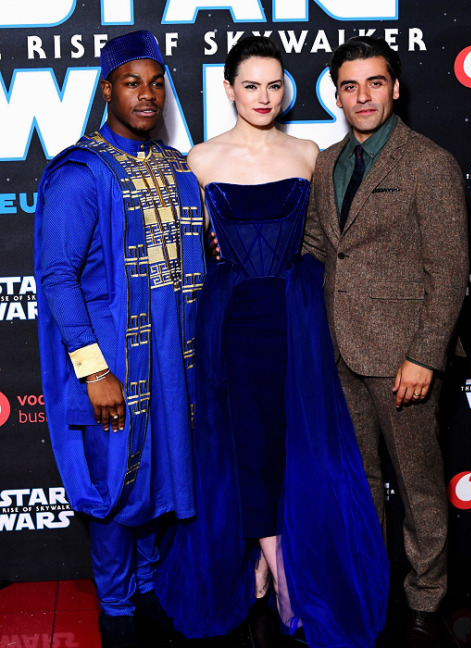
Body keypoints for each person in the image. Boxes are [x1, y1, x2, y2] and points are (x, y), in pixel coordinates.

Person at [155, 35, 389, 648]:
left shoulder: (311, 152)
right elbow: (186, 251)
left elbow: (334, 241)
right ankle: (283, 571)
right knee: (246, 441)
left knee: (295, 441)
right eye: (251, 85)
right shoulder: (198, 160)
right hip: (231, 318)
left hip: (297, 314)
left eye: (275, 84)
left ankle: (270, 558)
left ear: (287, 90)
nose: (264, 96)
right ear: (228, 89)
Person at [34, 30, 205, 648]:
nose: (148, 95)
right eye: (132, 82)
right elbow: (56, 276)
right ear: (107, 89)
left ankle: (152, 593)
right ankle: (116, 609)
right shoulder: (81, 172)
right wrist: (93, 369)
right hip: (113, 365)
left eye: (156, 83)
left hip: (173, 362)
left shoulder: (174, 166)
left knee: (165, 480)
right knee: (116, 488)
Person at [302, 36, 469, 647]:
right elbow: (323, 246)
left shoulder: (430, 162)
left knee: (419, 482)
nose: (362, 95)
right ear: (337, 95)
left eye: (374, 83)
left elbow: (449, 271)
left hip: (403, 359)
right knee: (361, 481)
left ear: (394, 88)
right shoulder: (326, 162)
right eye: (350, 86)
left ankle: (426, 596)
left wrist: (424, 354)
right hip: (339, 350)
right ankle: (370, 581)